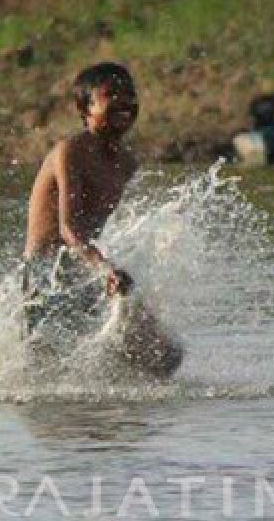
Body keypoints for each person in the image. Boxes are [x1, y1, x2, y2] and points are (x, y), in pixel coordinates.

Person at [20, 63, 181, 377]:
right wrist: (105, 268)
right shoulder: (70, 152)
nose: (124, 103)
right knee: (50, 375)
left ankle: (112, 415)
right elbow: (69, 230)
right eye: (112, 96)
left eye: (130, 95)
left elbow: (121, 228)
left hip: (87, 267)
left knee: (165, 357)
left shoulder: (126, 163)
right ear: (86, 108)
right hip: (48, 272)